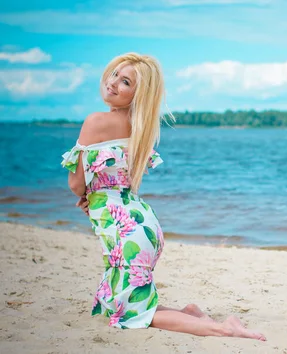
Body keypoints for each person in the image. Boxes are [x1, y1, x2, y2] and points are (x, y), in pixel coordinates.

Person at [61, 52, 266, 341]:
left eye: (125, 82)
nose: (113, 83)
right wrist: (94, 197)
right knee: (121, 307)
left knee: (131, 315)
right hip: (142, 224)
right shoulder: (141, 130)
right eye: (114, 74)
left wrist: (88, 195)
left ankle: (223, 328)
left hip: (125, 231)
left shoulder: (96, 122)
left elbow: (75, 184)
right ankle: (192, 313)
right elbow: (118, 184)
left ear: (137, 94)